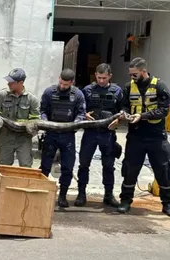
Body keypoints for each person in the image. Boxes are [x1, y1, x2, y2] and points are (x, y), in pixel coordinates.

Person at [110, 57, 170, 216]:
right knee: (130, 169)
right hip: (135, 135)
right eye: (131, 74)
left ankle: (167, 203)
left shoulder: (160, 86)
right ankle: (125, 201)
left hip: (156, 135)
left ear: (144, 71)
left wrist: (141, 116)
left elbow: (164, 111)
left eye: (135, 74)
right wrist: (124, 114)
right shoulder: (129, 87)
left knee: (163, 169)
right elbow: (123, 105)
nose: (132, 77)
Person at [74, 63, 122, 208]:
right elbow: (80, 109)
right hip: (90, 133)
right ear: (95, 75)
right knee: (84, 164)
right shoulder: (87, 90)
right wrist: (85, 115)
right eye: (99, 77)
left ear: (110, 76)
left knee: (108, 166)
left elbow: (123, 110)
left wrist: (118, 120)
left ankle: (108, 195)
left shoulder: (117, 91)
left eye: (104, 78)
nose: (101, 80)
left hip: (107, 133)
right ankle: (81, 194)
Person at [40, 68, 86, 207]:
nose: (62, 86)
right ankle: (42, 193)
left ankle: (62, 196)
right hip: (51, 134)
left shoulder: (78, 95)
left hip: (68, 136)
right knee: (45, 166)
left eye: (66, 85)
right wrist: (46, 122)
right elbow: (42, 111)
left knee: (67, 167)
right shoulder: (49, 92)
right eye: (61, 83)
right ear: (59, 78)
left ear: (72, 82)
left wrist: (74, 124)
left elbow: (81, 114)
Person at [0, 68, 40, 167]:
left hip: (23, 138)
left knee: (25, 166)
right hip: (6, 137)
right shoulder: (2, 96)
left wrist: (32, 127)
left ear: (21, 82)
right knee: (4, 166)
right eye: (8, 81)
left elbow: (35, 119)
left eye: (11, 82)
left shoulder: (32, 99)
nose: (8, 84)